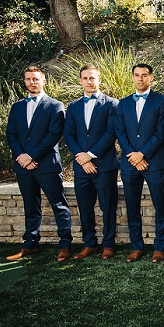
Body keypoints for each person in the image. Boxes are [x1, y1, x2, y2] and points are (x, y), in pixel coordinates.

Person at [5, 66, 73, 262]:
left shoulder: (55, 105)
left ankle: (65, 246)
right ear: (24, 82)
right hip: (23, 167)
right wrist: (21, 157)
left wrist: (32, 157)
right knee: (30, 206)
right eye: (28, 79)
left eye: (35, 79)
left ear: (44, 81)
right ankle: (30, 245)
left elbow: (53, 135)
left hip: (46, 166)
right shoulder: (17, 107)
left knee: (59, 206)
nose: (31, 82)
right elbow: (11, 134)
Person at [115, 63, 164, 264]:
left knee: (160, 206)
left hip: (154, 162)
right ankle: (136, 247)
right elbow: (120, 132)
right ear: (132, 78)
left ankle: (159, 247)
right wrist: (133, 155)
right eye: (137, 75)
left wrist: (143, 154)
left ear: (151, 78)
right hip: (130, 164)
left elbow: (161, 132)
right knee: (132, 206)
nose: (140, 79)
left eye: (144, 75)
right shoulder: (123, 103)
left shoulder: (163, 102)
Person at [64, 65, 119, 260]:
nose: (89, 81)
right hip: (81, 167)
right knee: (85, 206)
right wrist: (82, 157)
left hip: (104, 165)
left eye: (92, 78)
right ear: (80, 81)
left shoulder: (111, 104)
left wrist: (92, 154)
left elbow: (111, 133)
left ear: (99, 80)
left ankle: (108, 244)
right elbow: (69, 134)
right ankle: (89, 244)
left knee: (108, 206)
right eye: (85, 78)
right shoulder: (73, 106)